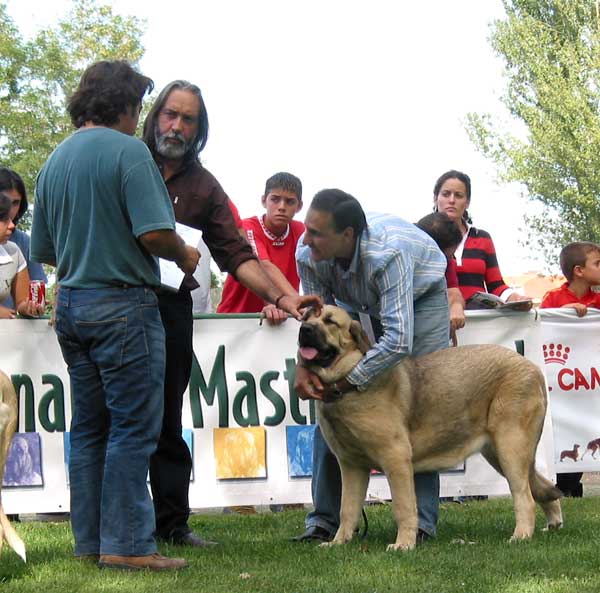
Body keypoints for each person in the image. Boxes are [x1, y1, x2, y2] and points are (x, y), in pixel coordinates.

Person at [31, 60, 200, 571]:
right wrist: (183, 255)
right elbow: (153, 232)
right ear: (125, 105)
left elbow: (46, 249)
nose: (138, 119)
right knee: (133, 428)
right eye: (139, 108)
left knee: (89, 428)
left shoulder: (55, 161)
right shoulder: (129, 152)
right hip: (123, 305)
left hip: (73, 304)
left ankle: (91, 542)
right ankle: (127, 544)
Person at [141, 80, 320, 547]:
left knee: (167, 421)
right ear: (154, 115)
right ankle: (109, 528)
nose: (176, 126)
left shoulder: (204, 186)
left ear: (200, 130)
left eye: (189, 119)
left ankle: (172, 526)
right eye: (170, 114)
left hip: (170, 309)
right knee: (114, 422)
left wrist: (285, 299)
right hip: (117, 306)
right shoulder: (126, 161)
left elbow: (238, 257)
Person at [291, 189, 450, 543]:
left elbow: (397, 340)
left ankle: (419, 524)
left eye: (316, 233)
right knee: (327, 402)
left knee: (419, 403)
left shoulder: (386, 254)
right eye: (307, 229)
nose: (305, 239)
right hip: (359, 294)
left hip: (421, 297)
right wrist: (304, 364)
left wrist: (347, 383)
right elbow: (314, 324)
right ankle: (326, 523)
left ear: (347, 235)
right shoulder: (308, 253)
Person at [540, 241, 600, 497]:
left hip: (593, 384)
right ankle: (566, 488)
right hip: (565, 385)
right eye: (597, 263)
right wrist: (560, 314)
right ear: (579, 271)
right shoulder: (553, 298)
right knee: (567, 432)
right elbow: (540, 327)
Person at [433, 170, 531, 309]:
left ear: (467, 202)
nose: (452, 200)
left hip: (480, 324)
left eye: (459, 195)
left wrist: (514, 298)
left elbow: (496, 285)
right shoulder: (422, 237)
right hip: (438, 323)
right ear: (435, 198)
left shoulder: (482, 238)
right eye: (446, 194)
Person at [217, 171, 304, 324]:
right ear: (264, 201)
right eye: (275, 199)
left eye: (290, 201)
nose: (281, 207)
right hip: (235, 320)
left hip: (281, 318)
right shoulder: (248, 227)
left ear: (299, 206)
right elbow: (263, 265)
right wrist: (295, 302)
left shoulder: (302, 231)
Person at [0, 167, 47, 311]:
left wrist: (32, 306)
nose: (11, 209)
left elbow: (28, 298)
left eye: (16, 203)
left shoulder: (19, 246)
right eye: (5, 201)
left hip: (10, 330)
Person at [416, 212, 465, 343]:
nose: (447, 262)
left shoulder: (444, 259)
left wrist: (456, 307)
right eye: (445, 257)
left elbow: (452, 290)